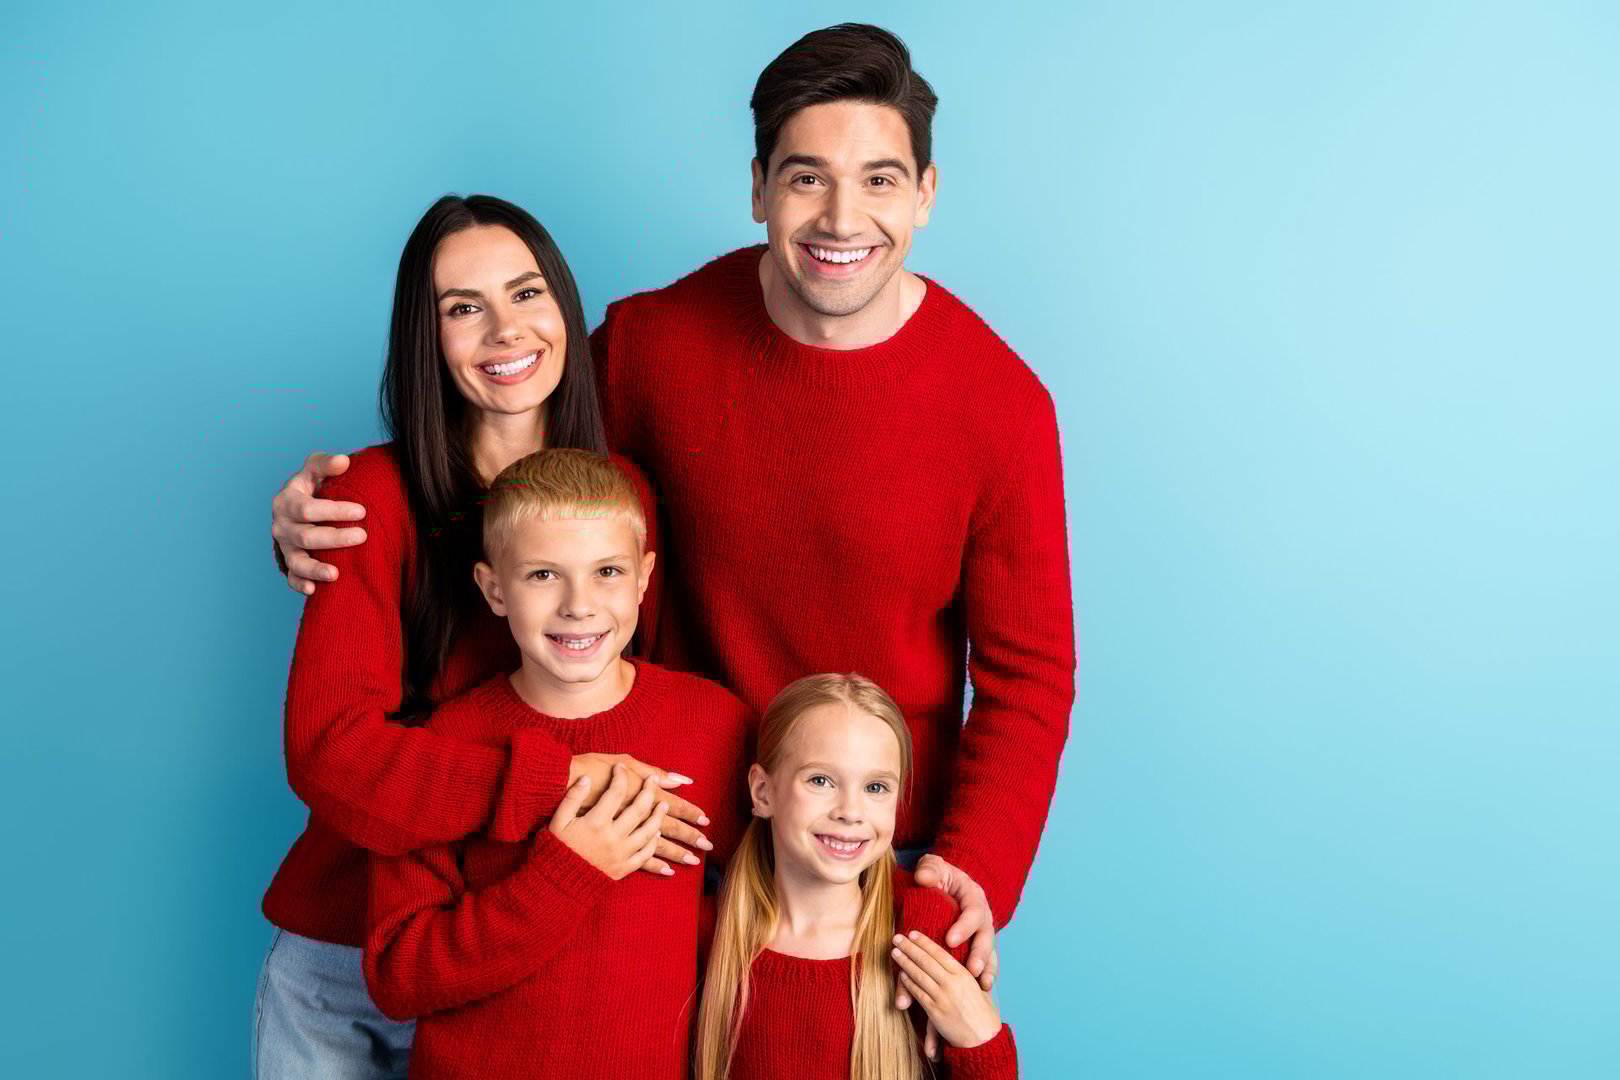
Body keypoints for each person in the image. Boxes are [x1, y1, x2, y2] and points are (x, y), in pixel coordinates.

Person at [270, 22, 1075, 1013]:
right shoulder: (656, 344)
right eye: (805, 177)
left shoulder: (1002, 405)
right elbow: (514, 450)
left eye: (878, 179)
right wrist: (323, 511)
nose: (840, 216)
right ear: (757, 189)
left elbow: (1029, 678)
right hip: (673, 824)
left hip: (865, 852)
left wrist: (970, 864)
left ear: (926, 194)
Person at [255, 195, 708, 1080]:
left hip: (537, 953)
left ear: (566, 312)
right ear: (426, 340)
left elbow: (638, 705)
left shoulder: (626, 497)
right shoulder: (368, 500)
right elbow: (327, 752)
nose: (505, 330)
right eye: (463, 308)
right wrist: (552, 783)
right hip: (349, 958)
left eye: (527, 293)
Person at [365, 449, 752, 1079]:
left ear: (645, 578)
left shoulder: (713, 724)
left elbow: (773, 903)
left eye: (606, 571)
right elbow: (398, 975)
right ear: (493, 589)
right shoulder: (445, 744)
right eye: (543, 575)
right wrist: (566, 872)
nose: (579, 604)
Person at [695, 673, 1017, 1080]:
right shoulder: (706, 934)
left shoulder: (926, 934)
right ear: (763, 792)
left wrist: (981, 1041)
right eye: (820, 780)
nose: (851, 810)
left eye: (876, 787)